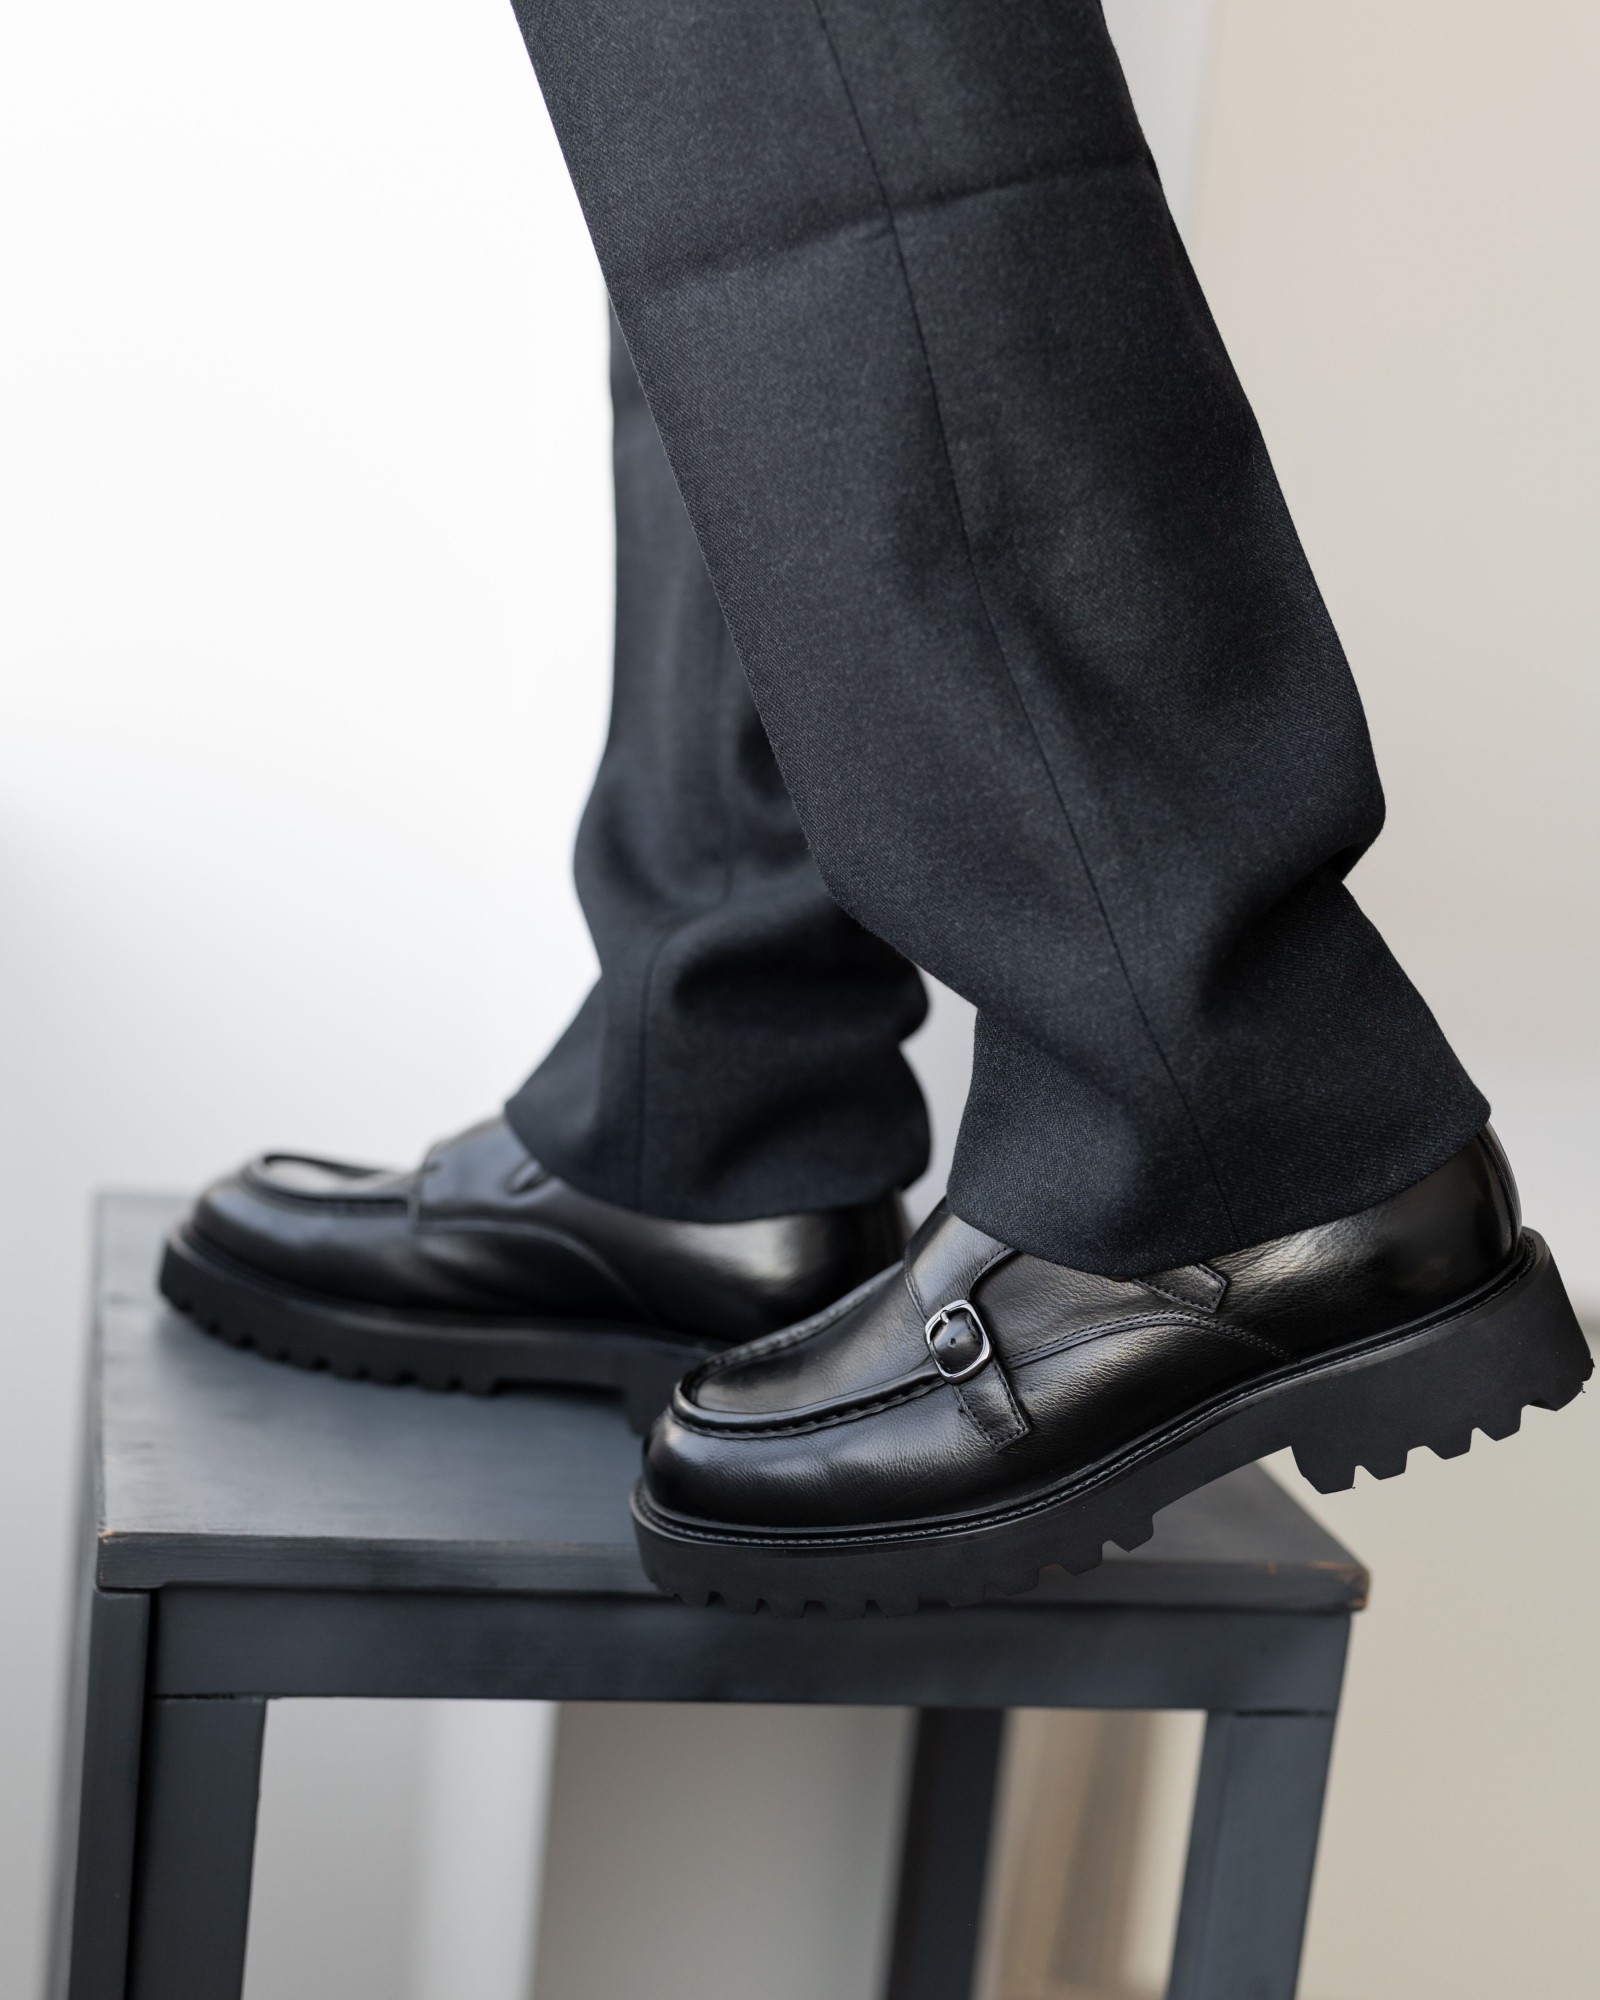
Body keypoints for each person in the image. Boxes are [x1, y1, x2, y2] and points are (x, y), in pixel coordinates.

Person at [160, 0, 1590, 1612]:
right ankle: (719, 1084)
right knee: (714, 99)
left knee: (793, 44)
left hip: (1222, 1126)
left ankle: (1222, 1119)